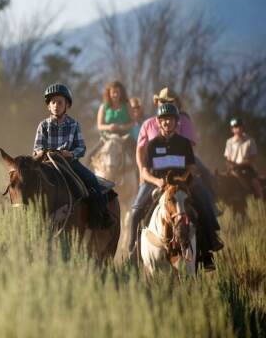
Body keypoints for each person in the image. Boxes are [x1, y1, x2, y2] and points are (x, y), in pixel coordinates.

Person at [128, 103, 222, 269]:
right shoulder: (152, 145)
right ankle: (133, 253)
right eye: (163, 120)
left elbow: (192, 167)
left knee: (201, 206)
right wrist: (157, 181)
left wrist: (183, 179)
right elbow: (144, 171)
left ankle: (208, 250)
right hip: (159, 184)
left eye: (170, 120)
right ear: (158, 122)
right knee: (138, 212)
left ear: (176, 122)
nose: (167, 123)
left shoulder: (184, 143)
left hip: (181, 184)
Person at [33, 83, 115, 229]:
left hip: (69, 163)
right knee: (29, 183)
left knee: (92, 180)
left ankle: (104, 215)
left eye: (60, 102)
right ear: (48, 106)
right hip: (48, 164)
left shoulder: (73, 125)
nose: (56, 105)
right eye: (53, 102)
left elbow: (81, 148)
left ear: (67, 106)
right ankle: (30, 217)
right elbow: (37, 148)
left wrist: (70, 153)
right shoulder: (43, 126)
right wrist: (45, 153)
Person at [225, 117, 263, 200]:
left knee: (255, 183)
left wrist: (240, 165)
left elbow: (252, 158)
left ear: (243, 127)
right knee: (222, 182)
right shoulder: (229, 142)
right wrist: (230, 165)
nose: (238, 128)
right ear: (232, 129)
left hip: (247, 169)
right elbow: (228, 158)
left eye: (239, 126)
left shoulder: (250, 140)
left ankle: (260, 202)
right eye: (235, 127)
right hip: (233, 169)